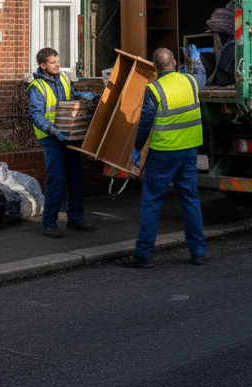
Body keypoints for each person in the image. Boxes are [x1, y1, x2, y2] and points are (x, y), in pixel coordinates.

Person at [116, 46, 208, 268]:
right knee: (190, 198)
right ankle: (198, 252)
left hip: (163, 154)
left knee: (152, 202)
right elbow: (201, 76)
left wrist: (137, 148)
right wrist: (197, 60)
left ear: (155, 68)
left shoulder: (154, 89)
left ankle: (144, 255)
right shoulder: (190, 82)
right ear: (175, 63)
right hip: (189, 150)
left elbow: (145, 122)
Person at [28, 47, 97, 238]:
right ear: (43, 65)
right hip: (50, 137)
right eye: (53, 62)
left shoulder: (65, 79)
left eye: (58, 61)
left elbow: (72, 99)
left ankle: (75, 219)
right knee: (56, 179)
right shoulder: (37, 87)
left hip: (69, 135)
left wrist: (82, 98)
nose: (57, 65)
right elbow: (35, 115)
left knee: (77, 178)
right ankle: (49, 223)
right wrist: (53, 130)